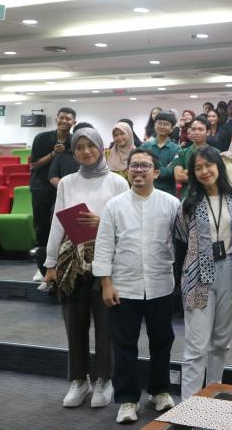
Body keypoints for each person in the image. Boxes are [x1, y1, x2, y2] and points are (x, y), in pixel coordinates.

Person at [43, 128, 129, 409]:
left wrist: (101, 222)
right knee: (74, 323)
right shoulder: (67, 182)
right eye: (79, 147)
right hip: (72, 262)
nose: (85, 152)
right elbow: (58, 222)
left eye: (90, 146)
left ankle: (105, 378)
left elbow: (127, 223)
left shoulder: (117, 182)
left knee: (106, 323)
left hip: (107, 262)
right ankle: (79, 380)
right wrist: (50, 262)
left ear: (101, 148)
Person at [93, 149, 180, 423]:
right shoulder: (114, 205)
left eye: (145, 166)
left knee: (162, 342)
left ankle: (159, 390)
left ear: (156, 172)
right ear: (127, 171)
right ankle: (127, 399)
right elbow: (104, 246)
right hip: (124, 286)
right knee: (124, 345)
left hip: (160, 284)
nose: (139, 170)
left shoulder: (171, 203)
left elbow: (181, 243)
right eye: (134, 165)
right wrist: (106, 283)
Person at [174, 147, 232, 399]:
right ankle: (189, 407)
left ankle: (213, 399)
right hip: (197, 277)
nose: (204, 171)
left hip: (230, 273)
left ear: (219, 166)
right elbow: (180, 242)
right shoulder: (189, 204)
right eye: (198, 167)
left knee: (220, 344)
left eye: (209, 165)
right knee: (196, 347)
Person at [30, 107, 76, 279]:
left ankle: (61, 266)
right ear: (56, 119)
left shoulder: (74, 140)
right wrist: (53, 154)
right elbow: (34, 165)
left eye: (68, 119)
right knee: (42, 228)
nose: (64, 121)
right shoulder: (42, 138)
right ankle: (41, 267)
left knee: (61, 229)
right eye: (61, 118)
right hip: (42, 189)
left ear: (74, 122)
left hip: (64, 189)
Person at [171, 116, 218, 195]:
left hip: (209, 194)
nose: (196, 132)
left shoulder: (216, 152)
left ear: (208, 132)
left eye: (200, 129)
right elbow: (178, 176)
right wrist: (206, 176)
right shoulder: (182, 152)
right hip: (188, 196)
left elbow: (217, 176)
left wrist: (187, 171)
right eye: (193, 129)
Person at [140, 111, 180, 196]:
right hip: (145, 191)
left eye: (166, 124)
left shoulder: (176, 149)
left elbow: (170, 172)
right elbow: (141, 168)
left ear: (172, 128)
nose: (162, 126)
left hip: (168, 193)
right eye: (159, 123)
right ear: (155, 125)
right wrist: (162, 169)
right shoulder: (145, 146)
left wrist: (149, 168)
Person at [49, 122, 94, 190]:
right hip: (67, 193)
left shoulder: (96, 155)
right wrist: (69, 190)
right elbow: (53, 177)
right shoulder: (62, 154)